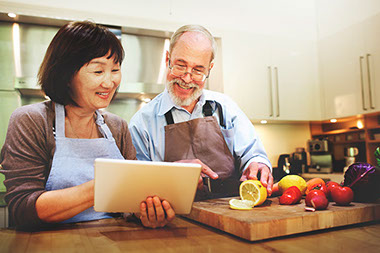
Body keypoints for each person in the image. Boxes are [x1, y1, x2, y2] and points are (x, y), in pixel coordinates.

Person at [0, 21, 174, 230]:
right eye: (98, 71)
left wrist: (145, 213)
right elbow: (22, 209)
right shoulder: (31, 121)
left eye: (115, 70)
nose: (109, 82)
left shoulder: (117, 126)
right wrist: (101, 186)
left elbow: (128, 204)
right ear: (66, 75)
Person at [129, 24, 273, 200]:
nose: (187, 78)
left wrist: (257, 165)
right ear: (168, 59)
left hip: (231, 214)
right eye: (180, 65)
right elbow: (136, 186)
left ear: (209, 69)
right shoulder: (142, 123)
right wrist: (171, 176)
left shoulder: (225, 108)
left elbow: (253, 154)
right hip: (171, 220)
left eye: (198, 70)